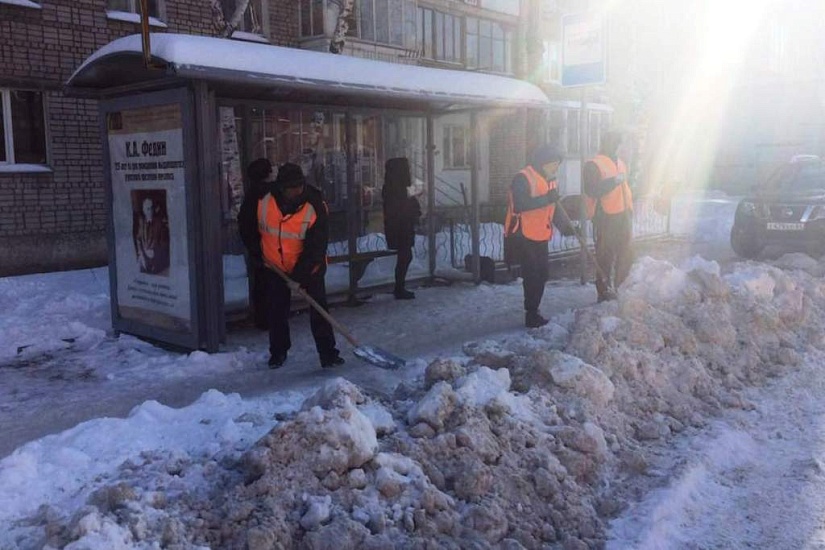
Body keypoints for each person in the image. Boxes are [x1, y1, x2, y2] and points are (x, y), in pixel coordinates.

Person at [238, 162, 344, 369]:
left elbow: (316, 245)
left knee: (319, 309)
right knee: (276, 311)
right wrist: (256, 252)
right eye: (291, 187)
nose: (296, 191)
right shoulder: (261, 199)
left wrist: (300, 277)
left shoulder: (315, 203)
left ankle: (328, 354)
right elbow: (246, 224)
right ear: (281, 187)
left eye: (299, 186)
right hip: (274, 265)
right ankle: (278, 352)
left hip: (309, 267)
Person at [504, 145, 563, 328]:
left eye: (557, 165)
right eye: (553, 164)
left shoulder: (550, 180)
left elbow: (554, 208)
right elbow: (520, 204)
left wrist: (567, 227)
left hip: (540, 233)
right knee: (532, 274)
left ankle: (534, 309)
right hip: (523, 234)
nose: (555, 168)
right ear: (543, 163)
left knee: (542, 273)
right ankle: (531, 313)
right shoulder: (523, 177)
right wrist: (548, 198)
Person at [583, 131, 634, 303]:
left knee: (625, 253)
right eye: (615, 143)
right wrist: (613, 181)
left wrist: (630, 209)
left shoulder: (620, 163)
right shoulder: (593, 165)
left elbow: (625, 188)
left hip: (623, 214)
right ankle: (603, 291)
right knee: (605, 255)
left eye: (618, 144)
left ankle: (621, 287)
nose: (617, 147)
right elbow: (592, 189)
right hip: (605, 216)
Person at [237, 158, 274, 330]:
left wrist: (253, 246)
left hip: (258, 246)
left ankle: (262, 318)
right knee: (274, 285)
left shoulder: (253, 195)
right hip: (276, 246)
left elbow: (244, 222)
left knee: (260, 283)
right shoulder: (275, 193)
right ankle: (271, 317)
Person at [382, 157, 421, 300]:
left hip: (400, 227)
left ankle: (400, 287)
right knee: (405, 256)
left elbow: (414, 196)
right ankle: (399, 288)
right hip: (400, 227)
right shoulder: (396, 188)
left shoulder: (393, 186)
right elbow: (407, 202)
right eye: (407, 169)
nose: (409, 172)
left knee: (405, 256)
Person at [134, 195, 170, 275]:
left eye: (151, 208)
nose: (150, 211)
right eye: (147, 209)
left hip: (156, 261)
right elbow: (138, 239)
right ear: (143, 210)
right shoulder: (142, 222)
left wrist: (155, 252)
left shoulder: (160, 224)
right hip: (144, 258)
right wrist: (141, 255)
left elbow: (165, 245)